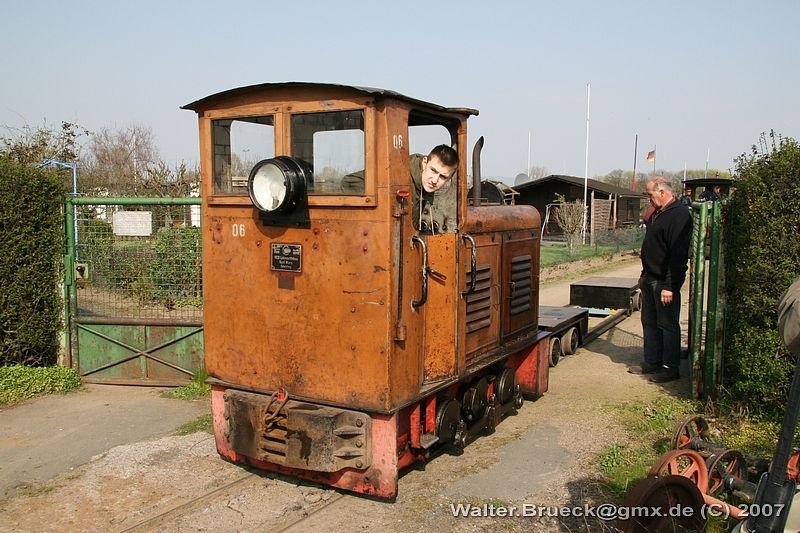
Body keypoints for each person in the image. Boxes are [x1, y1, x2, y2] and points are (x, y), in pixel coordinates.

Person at [631, 176, 693, 383]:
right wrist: (643, 275)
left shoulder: (679, 215)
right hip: (649, 278)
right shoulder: (658, 213)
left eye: (650, 195)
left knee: (667, 324)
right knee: (649, 321)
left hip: (663, 282)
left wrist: (670, 285)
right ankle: (652, 362)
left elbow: (677, 255)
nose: (649, 199)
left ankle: (669, 368)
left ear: (663, 193)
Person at [410, 145, 459, 233]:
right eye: (433, 170)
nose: (434, 180)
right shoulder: (402, 178)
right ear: (425, 163)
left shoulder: (424, 185)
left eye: (443, 177)